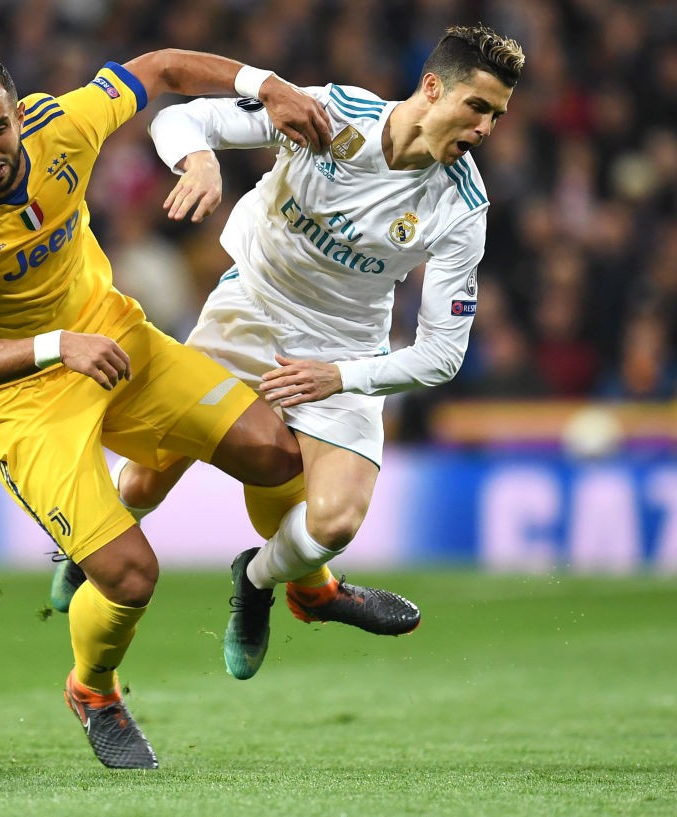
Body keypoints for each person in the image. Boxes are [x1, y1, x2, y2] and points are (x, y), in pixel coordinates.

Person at [0, 50, 332, 770]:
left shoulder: (62, 124)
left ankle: (289, 583)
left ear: (15, 115)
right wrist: (55, 345)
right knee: (130, 576)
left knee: (278, 453)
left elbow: (160, 68)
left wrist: (271, 87)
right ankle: (94, 690)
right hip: (23, 398)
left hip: (113, 337)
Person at [57, 24, 526, 681]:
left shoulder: (461, 206)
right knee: (144, 477)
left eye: (498, 115)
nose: (485, 128)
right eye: (477, 107)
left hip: (343, 344)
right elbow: (181, 119)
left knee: (334, 521)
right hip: (249, 308)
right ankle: (79, 549)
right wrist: (198, 160)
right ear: (431, 88)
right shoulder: (331, 116)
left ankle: (254, 579)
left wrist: (339, 375)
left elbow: (443, 355)